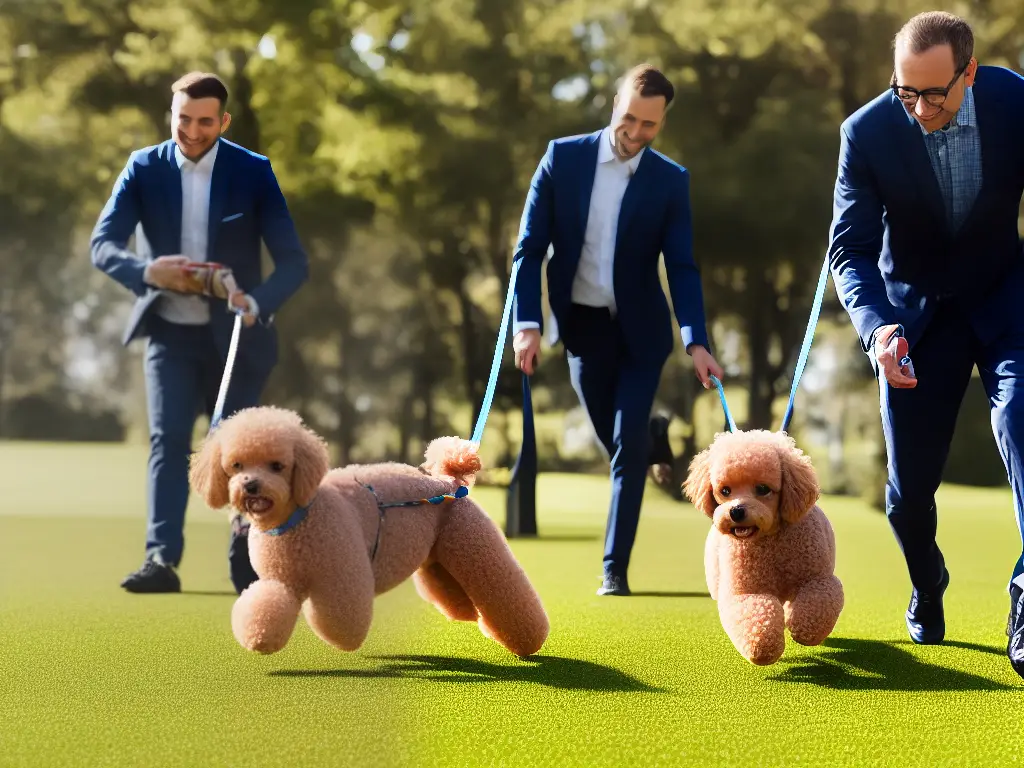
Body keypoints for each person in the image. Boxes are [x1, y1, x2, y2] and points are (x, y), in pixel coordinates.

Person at [826, 11, 1024, 678]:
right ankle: (927, 580)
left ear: (969, 73)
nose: (916, 108)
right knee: (908, 498)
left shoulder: (1014, 101)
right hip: (912, 323)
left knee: (1021, 422)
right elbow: (848, 252)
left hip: (1005, 302)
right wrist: (879, 329)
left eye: (933, 94)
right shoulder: (868, 131)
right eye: (903, 90)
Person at [90, 72, 309, 595]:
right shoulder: (143, 167)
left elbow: (293, 264)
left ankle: (247, 553)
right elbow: (103, 245)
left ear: (223, 121)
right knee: (168, 441)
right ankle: (161, 558)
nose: (190, 130)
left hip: (237, 338)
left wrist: (256, 302)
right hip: (168, 331)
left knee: (240, 453)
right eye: (181, 118)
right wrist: (147, 272)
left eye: (204, 121)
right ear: (172, 113)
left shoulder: (253, 172)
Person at [511, 63, 724, 597]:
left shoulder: (670, 181)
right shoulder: (563, 158)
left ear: (662, 124)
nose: (635, 133)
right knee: (619, 440)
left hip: (642, 334)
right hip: (582, 329)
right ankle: (653, 434)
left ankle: (614, 568)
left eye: (649, 125)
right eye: (629, 118)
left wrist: (696, 339)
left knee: (625, 448)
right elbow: (528, 250)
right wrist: (528, 325)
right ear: (614, 106)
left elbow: (681, 266)